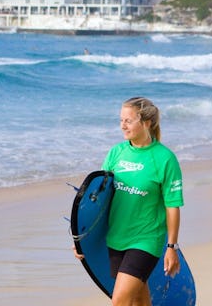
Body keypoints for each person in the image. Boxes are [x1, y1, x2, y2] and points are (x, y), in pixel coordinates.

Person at [74, 97, 184, 305]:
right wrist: (82, 240)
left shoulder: (164, 159)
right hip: (116, 236)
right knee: (138, 300)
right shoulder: (117, 153)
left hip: (146, 239)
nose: (123, 125)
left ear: (147, 123)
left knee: (120, 301)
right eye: (121, 120)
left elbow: (172, 205)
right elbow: (99, 199)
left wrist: (172, 246)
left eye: (129, 120)